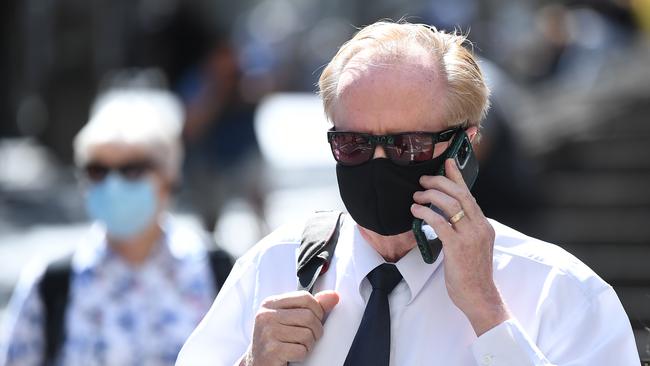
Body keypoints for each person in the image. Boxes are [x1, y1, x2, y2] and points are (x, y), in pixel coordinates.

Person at [175, 21, 639, 366]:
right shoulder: (270, 268)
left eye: (407, 145)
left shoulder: (559, 292)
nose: (378, 164)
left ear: (466, 146)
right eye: (354, 144)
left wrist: (490, 315)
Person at [0, 88, 233, 366]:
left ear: (169, 177)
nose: (113, 185)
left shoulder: (219, 273)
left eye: (132, 170)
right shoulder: (51, 284)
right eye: (97, 170)